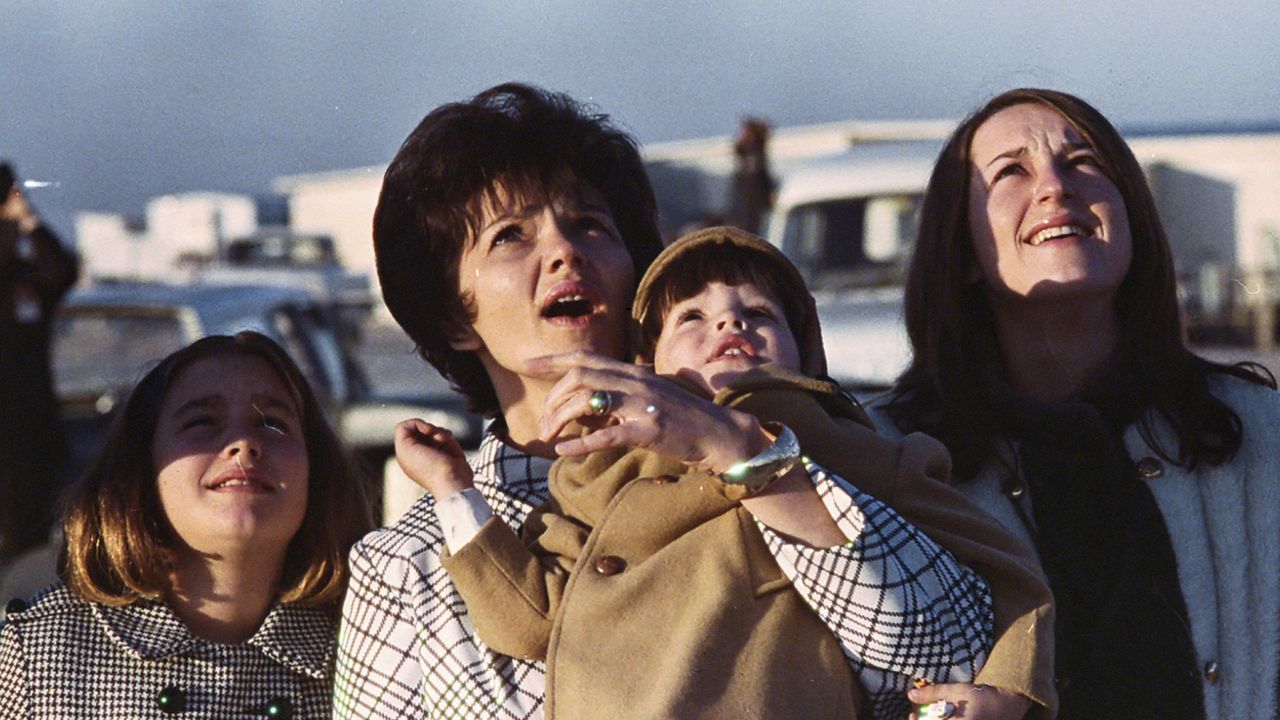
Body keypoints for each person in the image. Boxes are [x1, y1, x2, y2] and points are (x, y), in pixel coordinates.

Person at [335, 83, 1015, 719]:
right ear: (454, 316)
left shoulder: (795, 455)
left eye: (591, 224)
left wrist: (741, 456)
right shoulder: (407, 567)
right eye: (510, 236)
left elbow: (952, 656)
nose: (566, 252)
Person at [396, 226, 1056, 718]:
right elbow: (529, 622)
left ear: (807, 350)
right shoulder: (594, 479)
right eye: (692, 317)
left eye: (760, 313)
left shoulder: (858, 450)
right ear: (645, 362)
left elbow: (1007, 575)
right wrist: (457, 493)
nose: (730, 321)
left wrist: (1011, 690)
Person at [873, 87, 1280, 720]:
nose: (1055, 188)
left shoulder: (1258, 431)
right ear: (962, 250)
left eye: (1083, 162)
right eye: (1011, 170)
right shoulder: (888, 461)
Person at [0, 331, 373, 718]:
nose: (244, 443)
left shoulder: (374, 650)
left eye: (272, 423)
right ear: (142, 469)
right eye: (202, 422)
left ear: (316, 468)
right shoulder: (42, 654)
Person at [0, 174, 79, 564]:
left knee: (29, 543)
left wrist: (29, 217)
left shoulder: (28, 280)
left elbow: (63, 270)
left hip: (29, 430)